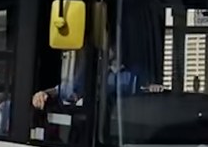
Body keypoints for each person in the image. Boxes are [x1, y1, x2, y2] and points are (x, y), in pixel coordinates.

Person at [32, 44, 163, 109]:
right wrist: (42, 94)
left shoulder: (133, 74)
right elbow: (62, 91)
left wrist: (155, 89)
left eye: (111, 46)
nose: (107, 50)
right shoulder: (88, 75)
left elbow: (148, 89)